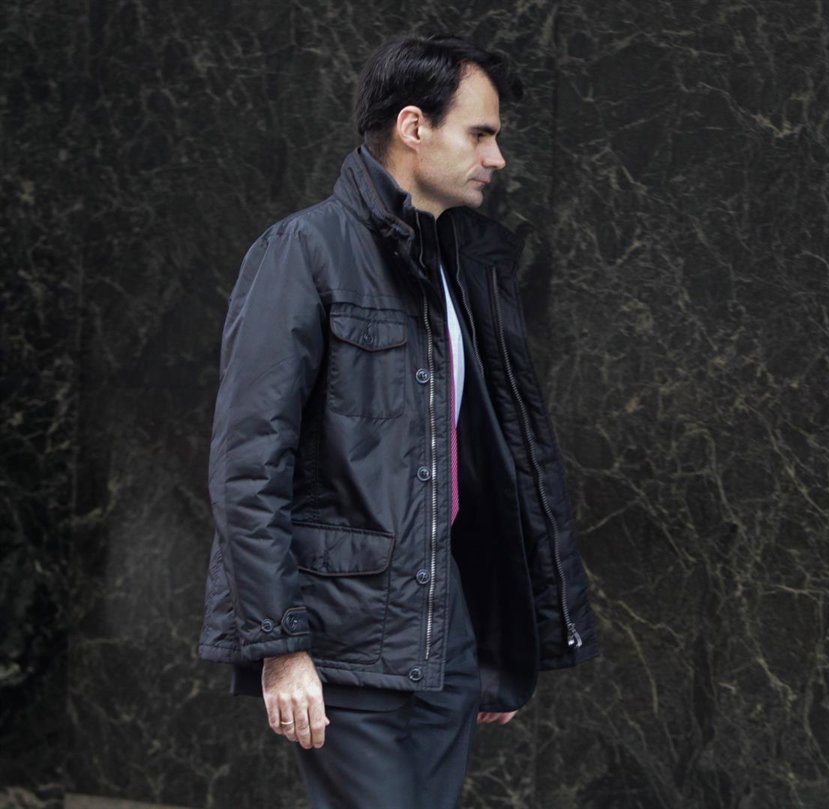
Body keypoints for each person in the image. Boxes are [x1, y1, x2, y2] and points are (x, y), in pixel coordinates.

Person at [196, 33, 599, 808]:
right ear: (415, 127)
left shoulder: (462, 270)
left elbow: (491, 463)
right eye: (479, 134)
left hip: (445, 638)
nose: (496, 158)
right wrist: (281, 646)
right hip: (342, 641)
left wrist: (491, 643)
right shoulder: (304, 250)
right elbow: (248, 467)